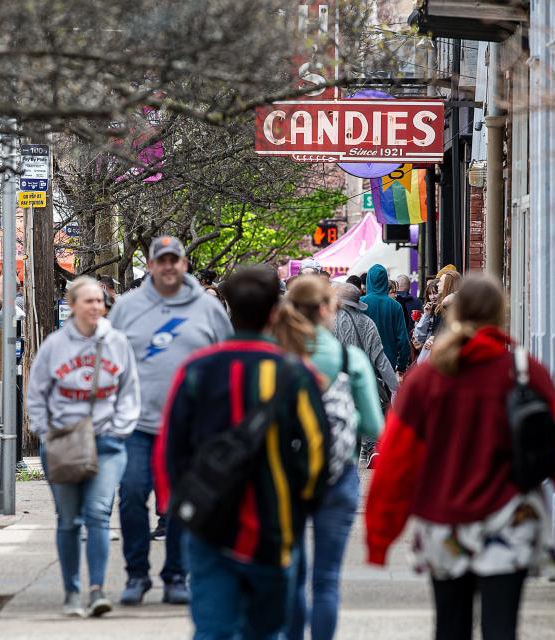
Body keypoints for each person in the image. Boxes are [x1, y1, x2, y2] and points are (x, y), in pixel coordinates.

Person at [365, 275, 555, 640]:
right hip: (511, 518)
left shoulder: (427, 378)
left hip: (443, 520)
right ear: (499, 314)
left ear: (454, 314)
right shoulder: (523, 372)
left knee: (450, 625)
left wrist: (381, 534)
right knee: (501, 627)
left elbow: (396, 461)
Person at [154, 265, 332, 640]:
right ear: (274, 312)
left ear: (227, 310)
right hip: (274, 526)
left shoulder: (196, 371)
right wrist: (303, 503)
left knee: (213, 630)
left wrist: (181, 506)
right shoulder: (295, 374)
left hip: (207, 526)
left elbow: (169, 448)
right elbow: (317, 451)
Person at [107, 235, 232, 606]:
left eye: (174, 259)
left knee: (181, 504)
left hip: (189, 429)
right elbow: (107, 361)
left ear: (184, 263)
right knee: (131, 496)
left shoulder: (208, 310)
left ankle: (177, 575)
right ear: (150, 265)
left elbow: (225, 364)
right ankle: (136, 575)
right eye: (161, 260)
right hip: (136, 426)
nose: (168, 266)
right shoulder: (127, 308)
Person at [274, 276, 383, 640]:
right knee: (326, 580)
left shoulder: (276, 357)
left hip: (284, 476)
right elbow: (371, 423)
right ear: (324, 310)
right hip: (338, 475)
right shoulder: (346, 359)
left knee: (291, 574)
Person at [27, 277, 140, 618]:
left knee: (97, 515)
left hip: (106, 443)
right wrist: (47, 433)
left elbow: (129, 391)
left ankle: (97, 590)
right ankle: (72, 591)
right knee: (68, 520)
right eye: (88, 301)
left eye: (99, 301)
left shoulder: (117, 342)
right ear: (72, 305)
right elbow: (36, 395)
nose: (95, 306)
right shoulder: (55, 346)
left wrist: (119, 431)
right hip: (63, 442)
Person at [332, 283, 399, 398]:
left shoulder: (328, 321)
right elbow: (381, 361)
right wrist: (396, 389)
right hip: (364, 386)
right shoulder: (368, 323)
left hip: (336, 388)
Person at [360, 265, 410, 374]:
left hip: (364, 361)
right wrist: (401, 365)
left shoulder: (361, 303)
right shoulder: (395, 306)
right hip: (388, 362)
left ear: (369, 280)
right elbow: (403, 340)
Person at [414, 271, 462, 363]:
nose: (438, 283)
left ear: (447, 284)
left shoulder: (451, 304)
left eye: (441, 281)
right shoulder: (438, 308)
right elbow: (421, 336)